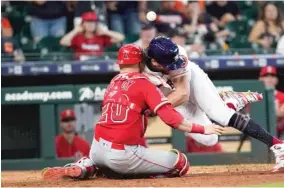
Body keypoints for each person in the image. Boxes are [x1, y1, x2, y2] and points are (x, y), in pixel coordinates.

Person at [42, 44, 225, 180]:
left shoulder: (113, 82)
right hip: (122, 153)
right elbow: (171, 119)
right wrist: (203, 129)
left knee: (109, 163)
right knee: (181, 163)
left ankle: (86, 166)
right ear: (140, 62)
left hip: (96, 148)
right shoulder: (144, 82)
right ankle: (132, 173)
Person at [143, 36, 284, 172]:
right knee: (209, 139)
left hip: (190, 82)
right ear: (155, 62)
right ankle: (226, 103)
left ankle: (280, 146)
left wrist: (153, 109)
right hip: (168, 93)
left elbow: (183, 93)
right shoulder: (139, 65)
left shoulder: (179, 56)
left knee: (220, 114)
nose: (173, 64)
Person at [60, 11, 125, 61]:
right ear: (83, 24)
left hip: (98, 62)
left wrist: (106, 31)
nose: (90, 24)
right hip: (81, 64)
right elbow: (63, 42)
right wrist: (75, 31)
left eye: (93, 22)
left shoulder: (101, 36)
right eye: (87, 22)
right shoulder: (77, 36)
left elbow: (121, 38)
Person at [259, 66, 284, 141]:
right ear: (260, 79)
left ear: (276, 79)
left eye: (272, 76)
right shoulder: (254, 96)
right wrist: (276, 111)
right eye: (266, 76)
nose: (269, 79)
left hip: (279, 135)